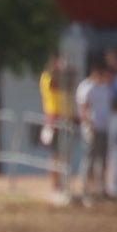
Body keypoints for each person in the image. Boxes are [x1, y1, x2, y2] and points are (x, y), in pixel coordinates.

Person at [73, 53, 117, 196]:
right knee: (90, 157)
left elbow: (111, 105)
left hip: (104, 127)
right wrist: (88, 125)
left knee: (103, 158)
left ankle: (101, 187)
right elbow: (83, 108)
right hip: (92, 128)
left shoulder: (106, 87)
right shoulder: (87, 87)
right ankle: (85, 187)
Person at [38, 55, 74, 198]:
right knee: (55, 154)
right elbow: (53, 83)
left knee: (64, 153)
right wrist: (57, 70)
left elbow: (71, 82)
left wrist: (67, 70)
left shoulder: (64, 81)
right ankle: (55, 183)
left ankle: (63, 182)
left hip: (65, 118)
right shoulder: (47, 77)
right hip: (54, 118)